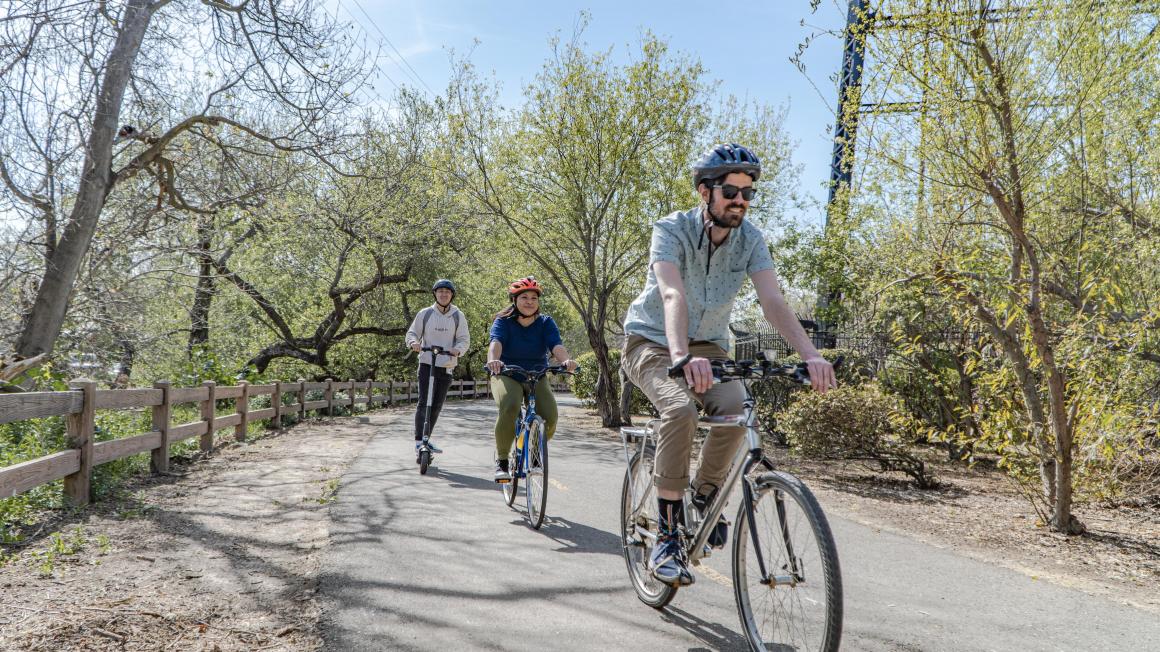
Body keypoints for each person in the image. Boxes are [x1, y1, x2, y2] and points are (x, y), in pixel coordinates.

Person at [621, 143, 837, 587]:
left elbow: (773, 302)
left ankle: (702, 494)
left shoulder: (751, 239)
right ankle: (665, 536)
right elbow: (671, 295)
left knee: (738, 412)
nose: (740, 200)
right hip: (654, 342)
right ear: (705, 192)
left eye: (747, 193)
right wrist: (681, 356)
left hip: (712, 347)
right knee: (680, 410)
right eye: (730, 191)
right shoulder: (671, 230)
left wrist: (810, 355)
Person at [485, 276, 578, 482]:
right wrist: (494, 361)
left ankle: (534, 453)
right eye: (524, 297)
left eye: (534, 298)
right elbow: (496, 343)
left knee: (550, 416)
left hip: (536, 374)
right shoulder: (503, 322)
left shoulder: (546, 322)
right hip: (507, 373)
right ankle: (502, 461)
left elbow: (556, 346)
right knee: (510, 406)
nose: (529, 301)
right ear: (514, 300)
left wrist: (566, 361)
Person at [404, 279, 470, 454]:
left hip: (447, 363)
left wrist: (458, 349)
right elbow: (412, 332)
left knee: (437, 404)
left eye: (447, 292)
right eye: (440, 291)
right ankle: (419, 441)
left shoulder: (458, 315)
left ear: (452, 295)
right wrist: (413, 343)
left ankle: (427, 438)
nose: (443, 294)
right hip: (427, 362)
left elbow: (464, 339)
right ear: (435, 294)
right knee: (424, 402)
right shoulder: (425, 313)